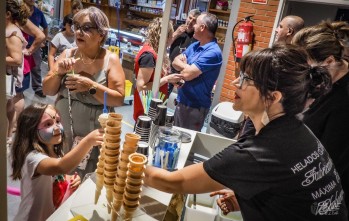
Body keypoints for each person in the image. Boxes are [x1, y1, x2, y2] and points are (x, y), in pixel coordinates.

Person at [144, 44, 348, 221]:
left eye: (245, 79)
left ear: (273, 97)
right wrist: (252, 199)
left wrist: (124, 162)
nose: (235, 84)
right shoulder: (296, 131)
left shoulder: (260, 152)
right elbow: (294, 193)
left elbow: (172, 182)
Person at [43, 6, 125, 179]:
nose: (79, 32)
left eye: (86, 28)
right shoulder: (67, 53)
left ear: (101, 34)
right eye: (77, 26)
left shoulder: (110, 60)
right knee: (62, 178)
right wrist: (59, 72)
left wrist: (90, 86)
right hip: (63, 133)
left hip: (94, 136)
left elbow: (118, 99)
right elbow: (47, 89)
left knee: (90, 181)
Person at [10, 103, 103, 221]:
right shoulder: (33, 159)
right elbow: (61, 167)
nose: (56, 127)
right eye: (48, 124)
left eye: (58, 121)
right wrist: (88, 141)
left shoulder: (56, 152)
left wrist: (70, 179)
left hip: (52, 216)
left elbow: (58, 175)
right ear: (31, 130)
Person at [292, 21, 349, 211]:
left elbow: (329, 161)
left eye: (305, 65)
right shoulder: (323, 83)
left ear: (330, 61)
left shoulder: (344, 100)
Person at [172, 12, 222, 131]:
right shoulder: (194, 46)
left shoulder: (213, 52)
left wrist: (185, 67)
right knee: (176, 142)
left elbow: (187, 75)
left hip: (194, 107)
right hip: (182, 102)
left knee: (186, 146)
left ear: (202, 27)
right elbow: (175, 61)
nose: (193, 26)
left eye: (196, 23)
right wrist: (188, 66)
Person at [133, 17, 182, 121]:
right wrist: (167, 79)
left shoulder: (155, 53)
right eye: (171, 35)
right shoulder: (149, 55)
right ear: (166, 36)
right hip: (146, 111)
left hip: (153, 109)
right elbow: (141, 87)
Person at [6, 0, 29, 150]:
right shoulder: (9, 30)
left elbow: (16, 59)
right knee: (9, 109)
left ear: (7, 14)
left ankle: (7, 138)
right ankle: (7, 138)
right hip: (7, 76)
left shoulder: (12, 33)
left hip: (7, 77)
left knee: (8, 109)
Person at [168, 9, 201, 94]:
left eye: (194, 20)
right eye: (190, 18)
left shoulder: (196, 36)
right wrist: (176, 33)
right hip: (170, 69)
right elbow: (166, 44)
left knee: (180, 98)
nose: (190, 22)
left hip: (183, 73)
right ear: (186, 17)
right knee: (164, 95)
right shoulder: (177, 28)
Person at [24, 0, 48, 98]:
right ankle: (19, 91)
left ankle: (38, 88)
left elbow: (45, 27)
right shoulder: (19, 12)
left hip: (35, 45)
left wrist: (43, 40)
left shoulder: (38, 12)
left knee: (36, 68)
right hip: (21, 45)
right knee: (21, 69)